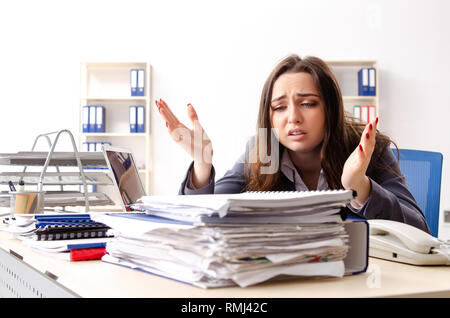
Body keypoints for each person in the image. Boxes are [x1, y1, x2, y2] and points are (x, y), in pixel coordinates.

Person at [155, 54, 430, 233]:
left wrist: (359, 186)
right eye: (279, 108)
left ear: (330, 109)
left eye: (308, 103)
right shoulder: (264, 152)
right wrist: (202, 164)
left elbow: (420, 230)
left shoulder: (366, 150)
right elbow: (201, 220)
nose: (293, 118)